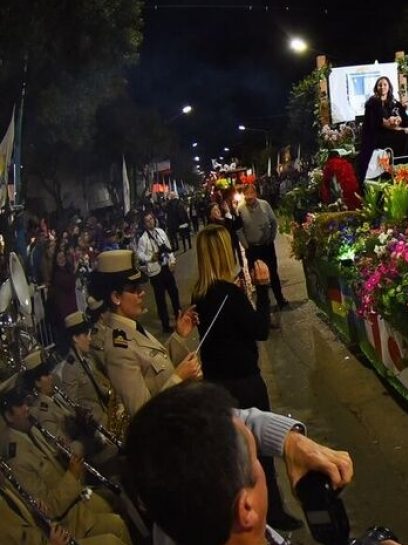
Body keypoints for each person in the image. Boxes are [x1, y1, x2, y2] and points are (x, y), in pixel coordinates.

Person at [122, 382, 387, 545]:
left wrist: (290, 442)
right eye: (254, 458)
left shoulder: (173, 510)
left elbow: (230, 421)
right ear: (246, 508)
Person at [191, 224, 299, 530]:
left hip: (217, 386)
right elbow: (260, 330)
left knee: (235, 453)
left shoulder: (199, 293)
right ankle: (272, 512)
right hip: (245, 383)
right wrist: (263, 289)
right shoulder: (229, 294)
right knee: (260, 452)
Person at [0, 388, 132, 544]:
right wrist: (72, 473)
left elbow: (55, 470)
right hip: (69, 520)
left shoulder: (31, 430)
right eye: (20, 406)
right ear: (8, 416)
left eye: (24, 402)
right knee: (116, 528)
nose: (26, 408)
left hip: (79, 496)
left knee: (114, 505)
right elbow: (50, 508)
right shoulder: (16, 458)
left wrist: (65, 458)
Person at [88, 249, 201, 416]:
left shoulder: (129, 328)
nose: (142, 293)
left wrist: (178, 335)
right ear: (116, 297)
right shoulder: (118, 348)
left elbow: (154, 366)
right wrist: (178, 379)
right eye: (134, 289)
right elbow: (142, 413)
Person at [237, 185, 288, 309]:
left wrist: (271, 238)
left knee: (273, 273)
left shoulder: (264, 205)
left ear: (255, 194)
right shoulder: (240, 209)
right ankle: (264, 305)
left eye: (251, 194)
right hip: (253, 249)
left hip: (267, 246)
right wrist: (246, 245)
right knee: (257, 278)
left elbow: (273, 222)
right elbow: (239, 230)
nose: (249, 197)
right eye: (246, 194)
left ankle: (280, 299)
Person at [135, 211, 181, 333]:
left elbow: (168, 247)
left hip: (166, 267)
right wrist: (150, 258)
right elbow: (139, 255)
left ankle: (179, 315)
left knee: (174, 293)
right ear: (144, 224)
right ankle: (166, 325)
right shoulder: (143, 239)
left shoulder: (160, 232)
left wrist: (172, 261)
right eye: (147, 220)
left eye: (151, 219)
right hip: (155, 272)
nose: (150, 222)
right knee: (160, 299)